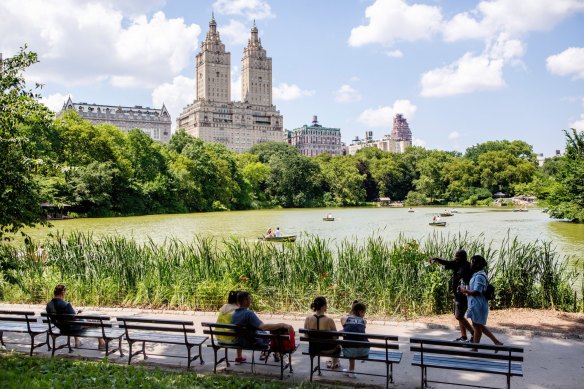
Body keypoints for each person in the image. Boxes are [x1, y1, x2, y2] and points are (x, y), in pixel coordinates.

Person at [231, 291, 293, 360]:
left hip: (239, 341)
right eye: (249, 299)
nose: (250, 301)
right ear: (245, 301)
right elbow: (263, 327)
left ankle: (270, 354)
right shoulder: (248, 314)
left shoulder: (234, 314)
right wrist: (282, 324)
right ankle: (277, 354)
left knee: (264, 335)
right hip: (251, 342)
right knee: (272, 336)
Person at [429, 249, 475, 341]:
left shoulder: (466, 266)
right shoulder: (457, 263)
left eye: (458, 256)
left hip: (463, 295)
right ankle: (464, 336)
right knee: (459, 316)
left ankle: (473, 332)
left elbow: (459, 274)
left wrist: (455, 272)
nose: (456, 258)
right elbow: (447, 262)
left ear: (464, 257)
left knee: (459, 316)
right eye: (456, 256)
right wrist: (437, 259)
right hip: (458, 295)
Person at [460, 255, 504, 348]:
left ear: (477, 265)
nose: (471, 264)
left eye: (472, 262)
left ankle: (475, 348)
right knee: (478, 325)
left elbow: (477, 291)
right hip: (475, 303)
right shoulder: (477, 274)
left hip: (478, 304)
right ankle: (496, 342)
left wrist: (465, 291)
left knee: (477, 327)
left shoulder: (480, 276)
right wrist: (466, 290)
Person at [45, 284, 105, 349]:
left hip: (61, 328)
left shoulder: (49, 305)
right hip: (70, 328)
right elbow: (75, 318)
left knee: (71, 322)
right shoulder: (66, 304)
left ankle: (77, 341)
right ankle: (102, 343)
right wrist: (79, 314)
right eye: (65, 293)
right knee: (96, 322)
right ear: (62, 293)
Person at [303, 296, 341, 370]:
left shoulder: (308, 319)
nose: (327, 306)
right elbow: (336, 337)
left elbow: (306, 335)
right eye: (326, 305)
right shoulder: (329, 320)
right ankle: (334, 363)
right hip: (328, 350)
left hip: (313, 349)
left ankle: (334, 362)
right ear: (323, 306)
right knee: (337, 345)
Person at [340, 301, 369, 378]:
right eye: (364, 312)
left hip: (349, 351)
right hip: (364, 351)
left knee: (350, 342)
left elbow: (346, 328)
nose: (364, 315)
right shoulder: (364, 321)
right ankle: (351, 370)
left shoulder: (344, 319)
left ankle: (351, 370)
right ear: (360, 311)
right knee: (354, 341)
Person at [216, 291, 244, 363]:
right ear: (238, 300)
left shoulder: (224, 307)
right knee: (240, 332)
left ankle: (239, 357)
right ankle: (239, 357)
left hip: (219, 339)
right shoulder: (237, 309)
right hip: (231, 340)